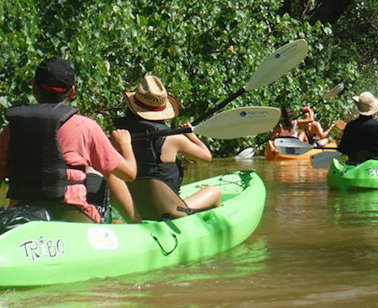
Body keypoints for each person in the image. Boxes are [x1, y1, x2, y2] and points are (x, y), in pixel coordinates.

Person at [0, 56, 139, 224]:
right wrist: (125, 144)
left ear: (34, 88)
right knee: (103, 172)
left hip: (22, 215)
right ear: (72, 92)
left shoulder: (12, 128)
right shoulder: (86, 126)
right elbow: (130, 173)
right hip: (72, 217)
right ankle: (136, 224)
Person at [115, 75, 221, 219]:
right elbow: (206, 157)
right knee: (214, 191)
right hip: (170, 210)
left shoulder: (121, 138)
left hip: (135, 209)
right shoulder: (173, 138)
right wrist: (191, 136)